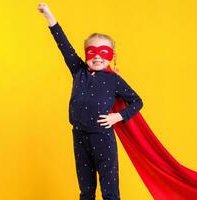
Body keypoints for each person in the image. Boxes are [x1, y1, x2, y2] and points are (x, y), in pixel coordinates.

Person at [38, 2, 143, 200]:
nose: (97, 57)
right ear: (86, 54)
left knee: (110, 192)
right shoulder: (78, 71)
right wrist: (49, 17)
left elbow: (137, 101)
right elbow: (64, 45)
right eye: (91, 52)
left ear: (111, 56)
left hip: (103, 139)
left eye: (103, 52)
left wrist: (118, 116)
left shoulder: (114, 80)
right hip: (79, 137)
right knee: (86, 191)